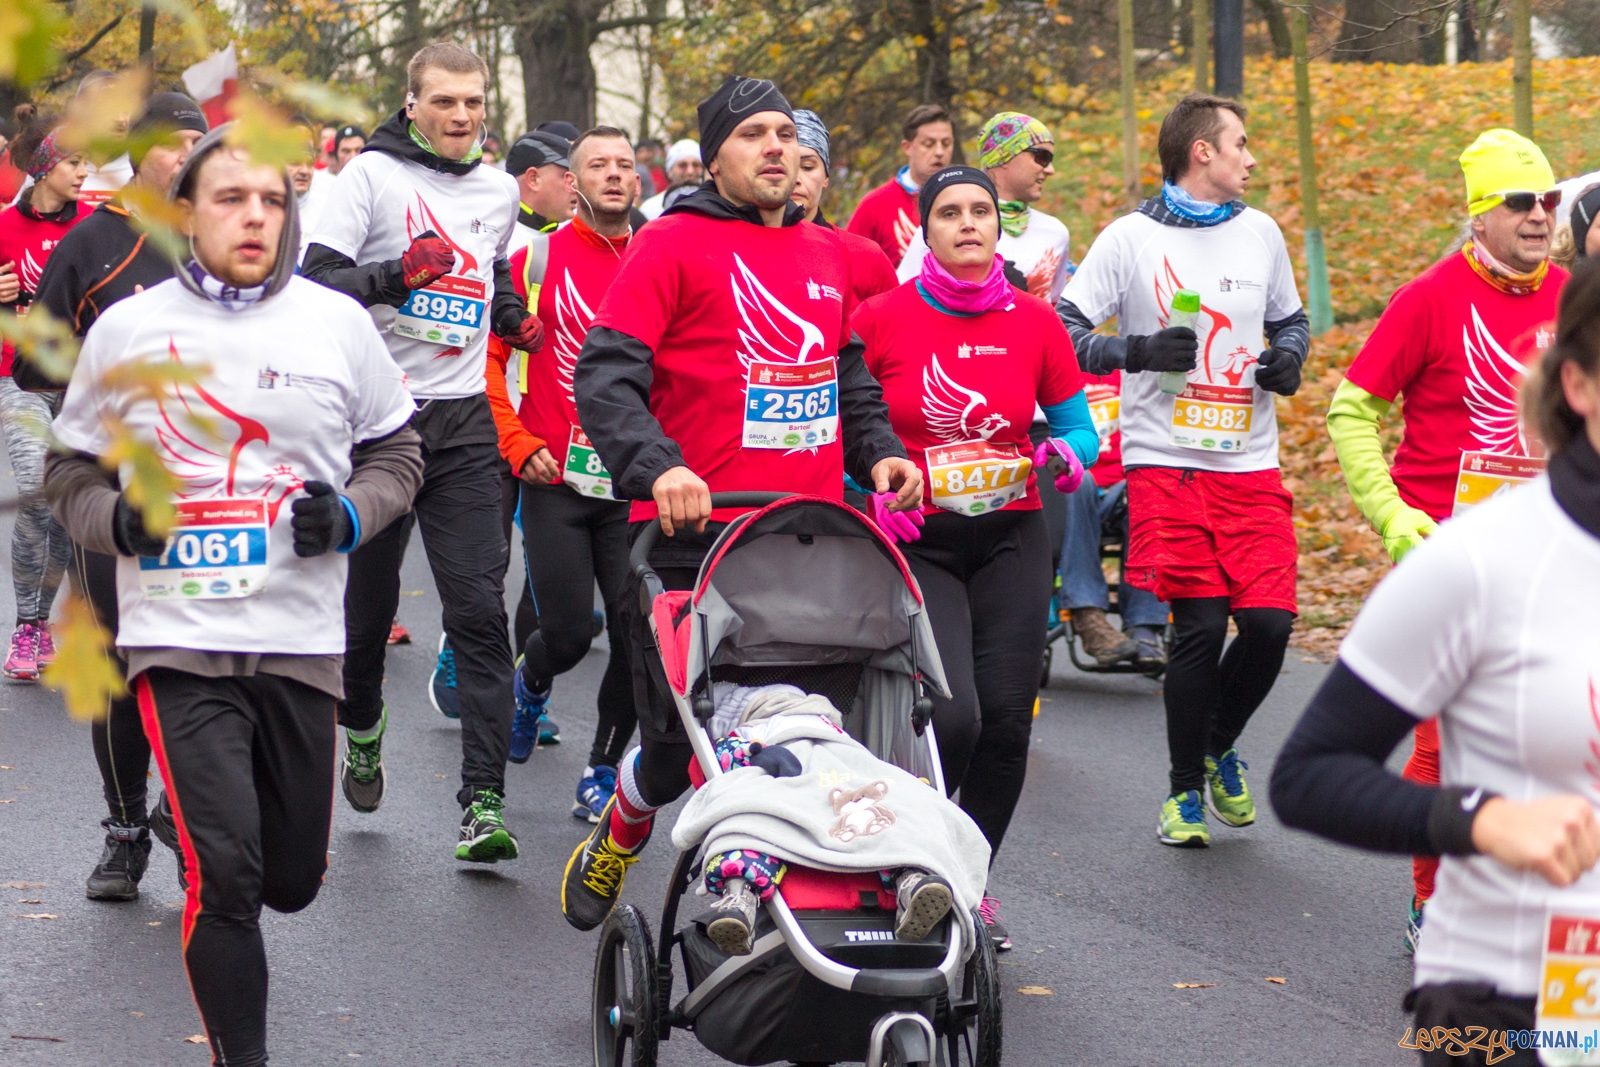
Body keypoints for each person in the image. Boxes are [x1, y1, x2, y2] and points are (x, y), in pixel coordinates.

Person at [46, 128, 421, 1067]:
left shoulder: (336, 321)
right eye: (230, 198)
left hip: (301, 636)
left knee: (290, 878)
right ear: (187, 212)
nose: (256, 216)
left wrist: (350, 514)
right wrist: (115, 519)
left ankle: (230, 837)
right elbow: (68, 468)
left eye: (273, 200)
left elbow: (397, 450)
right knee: (229, 882)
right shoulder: (129, 329)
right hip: (178, 636)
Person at [560, 73, 921, 932]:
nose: (775, 148)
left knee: (805, 728)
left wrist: (881, 453)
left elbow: (846, 375)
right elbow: (604, 377)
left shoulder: (824, 251)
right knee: (682, 747)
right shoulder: (670, 244)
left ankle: (796, 894)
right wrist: (658, 467)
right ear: (714, 158)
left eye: (786, 135)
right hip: (694, 533)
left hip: (805, 537)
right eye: (753, 134)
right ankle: (624, 824)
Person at [1270, 257, 1600, 1066]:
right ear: (1579, 384)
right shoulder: (1480, 560)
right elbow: (1309, 774)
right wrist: (1482, 819)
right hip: (1521, 992)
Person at [1327, 128, 1569, 952]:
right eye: (1520, 201)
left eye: (1549, 200)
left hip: (1553, 556)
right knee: (1448, 740)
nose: (1539, 215)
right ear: (1479, 214)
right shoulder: (1428, 298)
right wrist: (1395, 516)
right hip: (1450, 559)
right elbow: (1351, 411)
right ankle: (1434, 903)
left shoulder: (1574, 298)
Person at [303, 41, 542, 861]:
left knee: (478, 611)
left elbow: (493, 270)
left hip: (465, 421)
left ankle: (483, 803)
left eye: (473, 102)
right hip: (378, 424)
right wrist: (397, 276)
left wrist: (508, 315)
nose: (461, 115)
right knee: (365, 623)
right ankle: (363, 726)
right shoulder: (369, 177)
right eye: (445, 101)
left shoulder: (499, 190)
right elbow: (316, 282)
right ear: (413, 106)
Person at [853, 165, 1097, 950]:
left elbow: (1079, 429)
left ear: (998, 227)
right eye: (950, 212)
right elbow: (847, 427)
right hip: (920, 540)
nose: (967, 223)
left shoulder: (1036, 322)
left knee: (1008, 724)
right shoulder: (881, 318)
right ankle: (912, 861)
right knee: (953, 719)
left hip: (1011, 535)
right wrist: (871, 486)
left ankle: (967, 881)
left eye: (981, 211)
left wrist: (1067, 455)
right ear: (924, 229)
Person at [1056, 92, 1309, 849]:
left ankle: (1215, 744)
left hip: (1249, 461)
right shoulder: (1130, 238)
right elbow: (1063, 330)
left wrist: (1288, 359)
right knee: (1198, 627)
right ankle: (1183, 793)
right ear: (1203, 152)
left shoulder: (1261, 232)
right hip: (1166, 461)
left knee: (1269, 624)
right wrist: (1132, 351)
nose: (1251, 158)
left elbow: (1291, 320)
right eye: (1241, 144)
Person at [30, 92, 208, 902]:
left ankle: (187, 804)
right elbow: (34, 361)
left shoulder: (227, 236)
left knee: (208, 649)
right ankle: (126, 829)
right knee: (119, 652)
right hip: (109, 480)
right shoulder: (92, 241)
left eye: (201, 142)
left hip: (211, 481)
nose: (190, 156)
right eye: (175, 143)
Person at [485, 125, 639, 819]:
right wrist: (517, 442)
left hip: (633, 484)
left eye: (625, 164)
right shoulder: (536, 259)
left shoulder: (658, 260)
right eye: (598, 164)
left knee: (638, 637)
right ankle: (532, 681)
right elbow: (487, 362)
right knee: (572, 632)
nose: (615, 174)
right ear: (573, 183)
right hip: (556, 479)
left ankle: (602, 769)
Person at [0, 114, 89, 679]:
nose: (84, 172)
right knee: (36, 487)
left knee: (62, 505)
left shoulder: (94, 230)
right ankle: (25, 627)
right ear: (44, 166)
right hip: (19, 378)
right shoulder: (4, 226)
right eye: (74, 162)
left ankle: (42, 624)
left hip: (79, 385)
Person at [897, 111, 1072, 305]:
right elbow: (902, 297)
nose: (1050, 169)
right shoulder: (941, 229)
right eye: (1042, 157)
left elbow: (1056, 307)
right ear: (1004, 155)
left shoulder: (1056, 233)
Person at [1059, 370, 1172, 669]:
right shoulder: (1058, 373)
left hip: (1122, 486)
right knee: (1075, 478)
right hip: (1076, 488)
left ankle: (1145, 624)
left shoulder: (1136, 374)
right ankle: (1088, 615)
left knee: (1146, 486)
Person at [789, 111, 897, 304]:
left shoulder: (865, 257)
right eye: (785, 167)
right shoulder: (743, 250)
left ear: (826, 177)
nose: (795, 179)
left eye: (807, 167)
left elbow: (895, 320)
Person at [847, 104, 953, 267]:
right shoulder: (875, 205)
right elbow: (848, 264)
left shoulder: (964, 199)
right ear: (907, 147)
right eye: (929, 144)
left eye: (946, 143)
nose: (939, 152)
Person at [503, 128, 575, 261]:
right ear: (533, 179)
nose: (576, 188)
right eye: (566, 177)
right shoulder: (493, 239)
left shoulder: (581, 237)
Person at [638, 139, 702, 220]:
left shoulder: (712, 204)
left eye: (696, 165)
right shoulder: (650, 209)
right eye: (683, 165)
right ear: (670, 172)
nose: (690, 171)